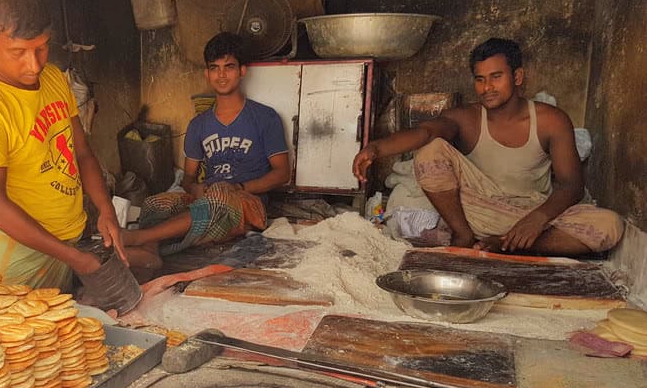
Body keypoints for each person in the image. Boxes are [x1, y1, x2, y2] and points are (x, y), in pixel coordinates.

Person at [353, 38, 623, 256]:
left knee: (608, 225)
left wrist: (536, 220)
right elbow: (425, 132)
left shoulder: (550, 120)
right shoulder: (467, 117)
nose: (486, 87)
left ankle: (504, 244)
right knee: (431, 150)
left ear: (517, 77)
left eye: (496, 77)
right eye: (480, 79)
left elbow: (571, 185)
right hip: (475, 210)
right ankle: (464, 236)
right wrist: (375, 149)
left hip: (528, 212)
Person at [0, 0, 125, 290]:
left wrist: (105, 208)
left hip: (62, 245)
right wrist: (74, 257)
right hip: (9, 258)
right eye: (18, 52)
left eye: (41, 48)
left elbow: (80, 151)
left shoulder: (54, 78)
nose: (33, 65)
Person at [123, 32, 290, 270]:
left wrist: (240, 188)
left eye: (229, 67)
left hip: (247, 202)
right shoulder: (198, 125)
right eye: (215, 68)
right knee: (154, 203)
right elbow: (189, 178)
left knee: (220, 195)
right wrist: (195, 188)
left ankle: (140, 238)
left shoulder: (265, 117)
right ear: (207, 73)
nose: (221, 75)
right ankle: (151, 253)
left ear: (242, 71)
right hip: (209, 198)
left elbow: (282, 173)